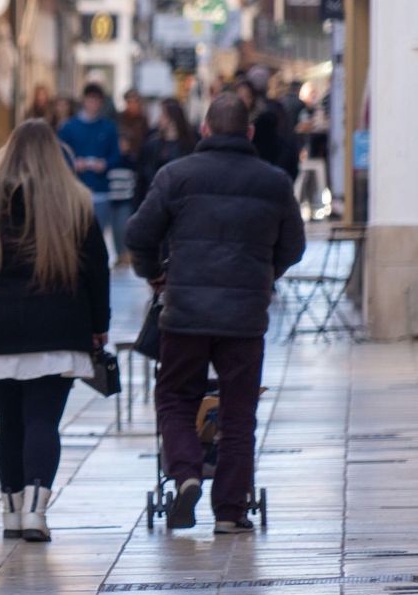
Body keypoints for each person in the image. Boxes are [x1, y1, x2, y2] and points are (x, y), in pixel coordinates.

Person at [125, 93, 305, 534]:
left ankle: (186, 473)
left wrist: (153, 275)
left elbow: (138, 233)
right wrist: (265, 273)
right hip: (244, 318)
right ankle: (230, 511)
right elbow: (294, 246)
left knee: (175, 397)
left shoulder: (175, 176)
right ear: (248, 133)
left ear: (204, 130)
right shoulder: (274, 182)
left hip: (184, 312)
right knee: (239, 412)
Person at [0, 120, 110, 543]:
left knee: (9, 423)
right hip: (58, 328)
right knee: (43, 420)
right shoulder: (75, 202)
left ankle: (11, 512)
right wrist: (98, 325)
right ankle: (37, 510)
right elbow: (96, 271)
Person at [58, 83, 123, 249]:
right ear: (84, 101)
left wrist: (105, 164)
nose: (93, 104)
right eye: (90, 100)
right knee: (75, 234)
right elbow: (59, 154)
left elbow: (116, 155)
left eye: (97, 101)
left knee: (97, 237)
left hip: (101, 190)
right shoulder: (69, 127)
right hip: (75, 190)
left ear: (101, 103)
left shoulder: (108, 127)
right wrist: (73, 163)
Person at [109, 90, 147, 265]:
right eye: (129, 101)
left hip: (137, 170)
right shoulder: (119, 120)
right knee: (120, 220)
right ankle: (122, 254)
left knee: (132, 216)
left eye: (135, 101)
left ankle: (130, 252)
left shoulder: (144, 121)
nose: (132, 104)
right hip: (121, 172)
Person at [136, 98, 197, 205]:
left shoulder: (190, 144)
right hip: (157, 201)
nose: (159, 119)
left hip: (183, 201)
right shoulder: (152, 145)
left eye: (162, 115)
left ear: (172, 118)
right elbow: (143, 177)